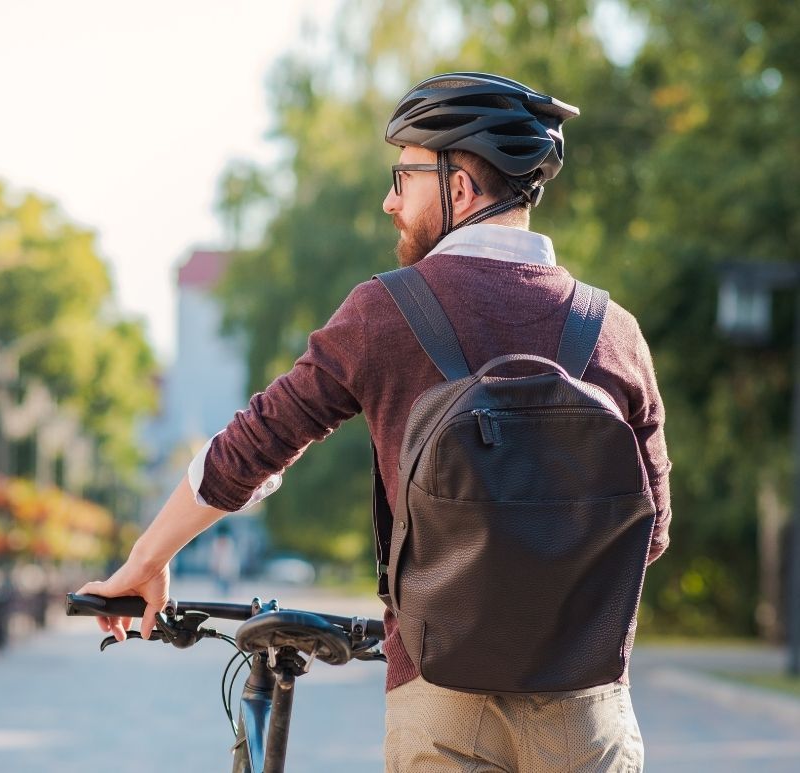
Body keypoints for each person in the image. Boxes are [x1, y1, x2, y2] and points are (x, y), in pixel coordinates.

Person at [78, 72, 671, 771]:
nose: (391, 199)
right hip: (589, 711)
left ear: (458, 189)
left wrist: (146, 561)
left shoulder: (385, 313)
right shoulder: (613, 330)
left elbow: (252, 449)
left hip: (443, 701)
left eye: (405, 174)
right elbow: (652, 530)